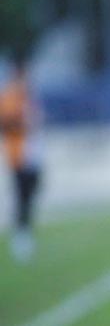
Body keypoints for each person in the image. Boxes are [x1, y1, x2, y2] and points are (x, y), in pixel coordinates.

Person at [0, 50, 43, 263]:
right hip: (19, 153)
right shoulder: (9, 95)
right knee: (21, 194)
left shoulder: (28, 93)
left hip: (34, 151)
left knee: (32, 190)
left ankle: (26, 230)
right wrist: (24, 123)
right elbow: (5, 123)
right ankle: (20, 235)